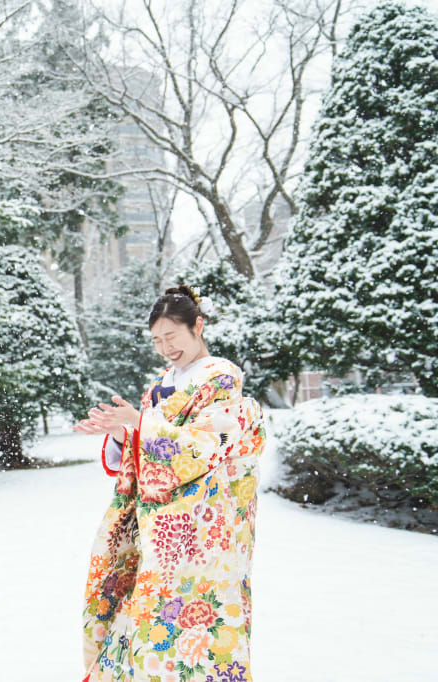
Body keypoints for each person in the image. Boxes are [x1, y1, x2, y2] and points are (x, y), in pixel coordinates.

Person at [73, 285, 265, 682]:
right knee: (145, 614)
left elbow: (208, 442)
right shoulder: (164, 381)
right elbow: (152, 442)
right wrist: (125, 432)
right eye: (157, 340)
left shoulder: (221, 377)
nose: (164, 348)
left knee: (197, 614)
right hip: (159, 524)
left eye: (171, 336)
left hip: (203, 525)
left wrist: (138, 426)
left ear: (198, 326)